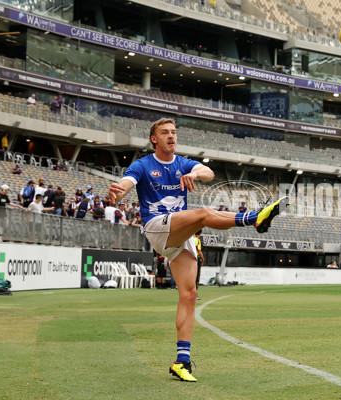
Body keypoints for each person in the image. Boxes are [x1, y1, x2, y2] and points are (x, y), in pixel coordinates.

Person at [107, 118, 286, 382]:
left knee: (189, 294)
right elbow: (126, 184)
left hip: (179, 231)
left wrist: (194, 174)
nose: (171, 136)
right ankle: (254, 218)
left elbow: (209, 173)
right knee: (203, 214)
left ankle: (182, 361)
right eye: (165, 133)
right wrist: (118, 193)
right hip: (157, 226)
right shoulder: (143, 164)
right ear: (154, 138)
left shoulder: (182, 163)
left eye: (174, 132)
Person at [193, 230, 204, 300]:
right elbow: (199, 251)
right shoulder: (197, 240)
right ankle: (195, 294)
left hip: (187, 259)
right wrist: (203, 259)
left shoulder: (188, 239)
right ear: (201, 233)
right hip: (196, 259)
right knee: (196, 277)